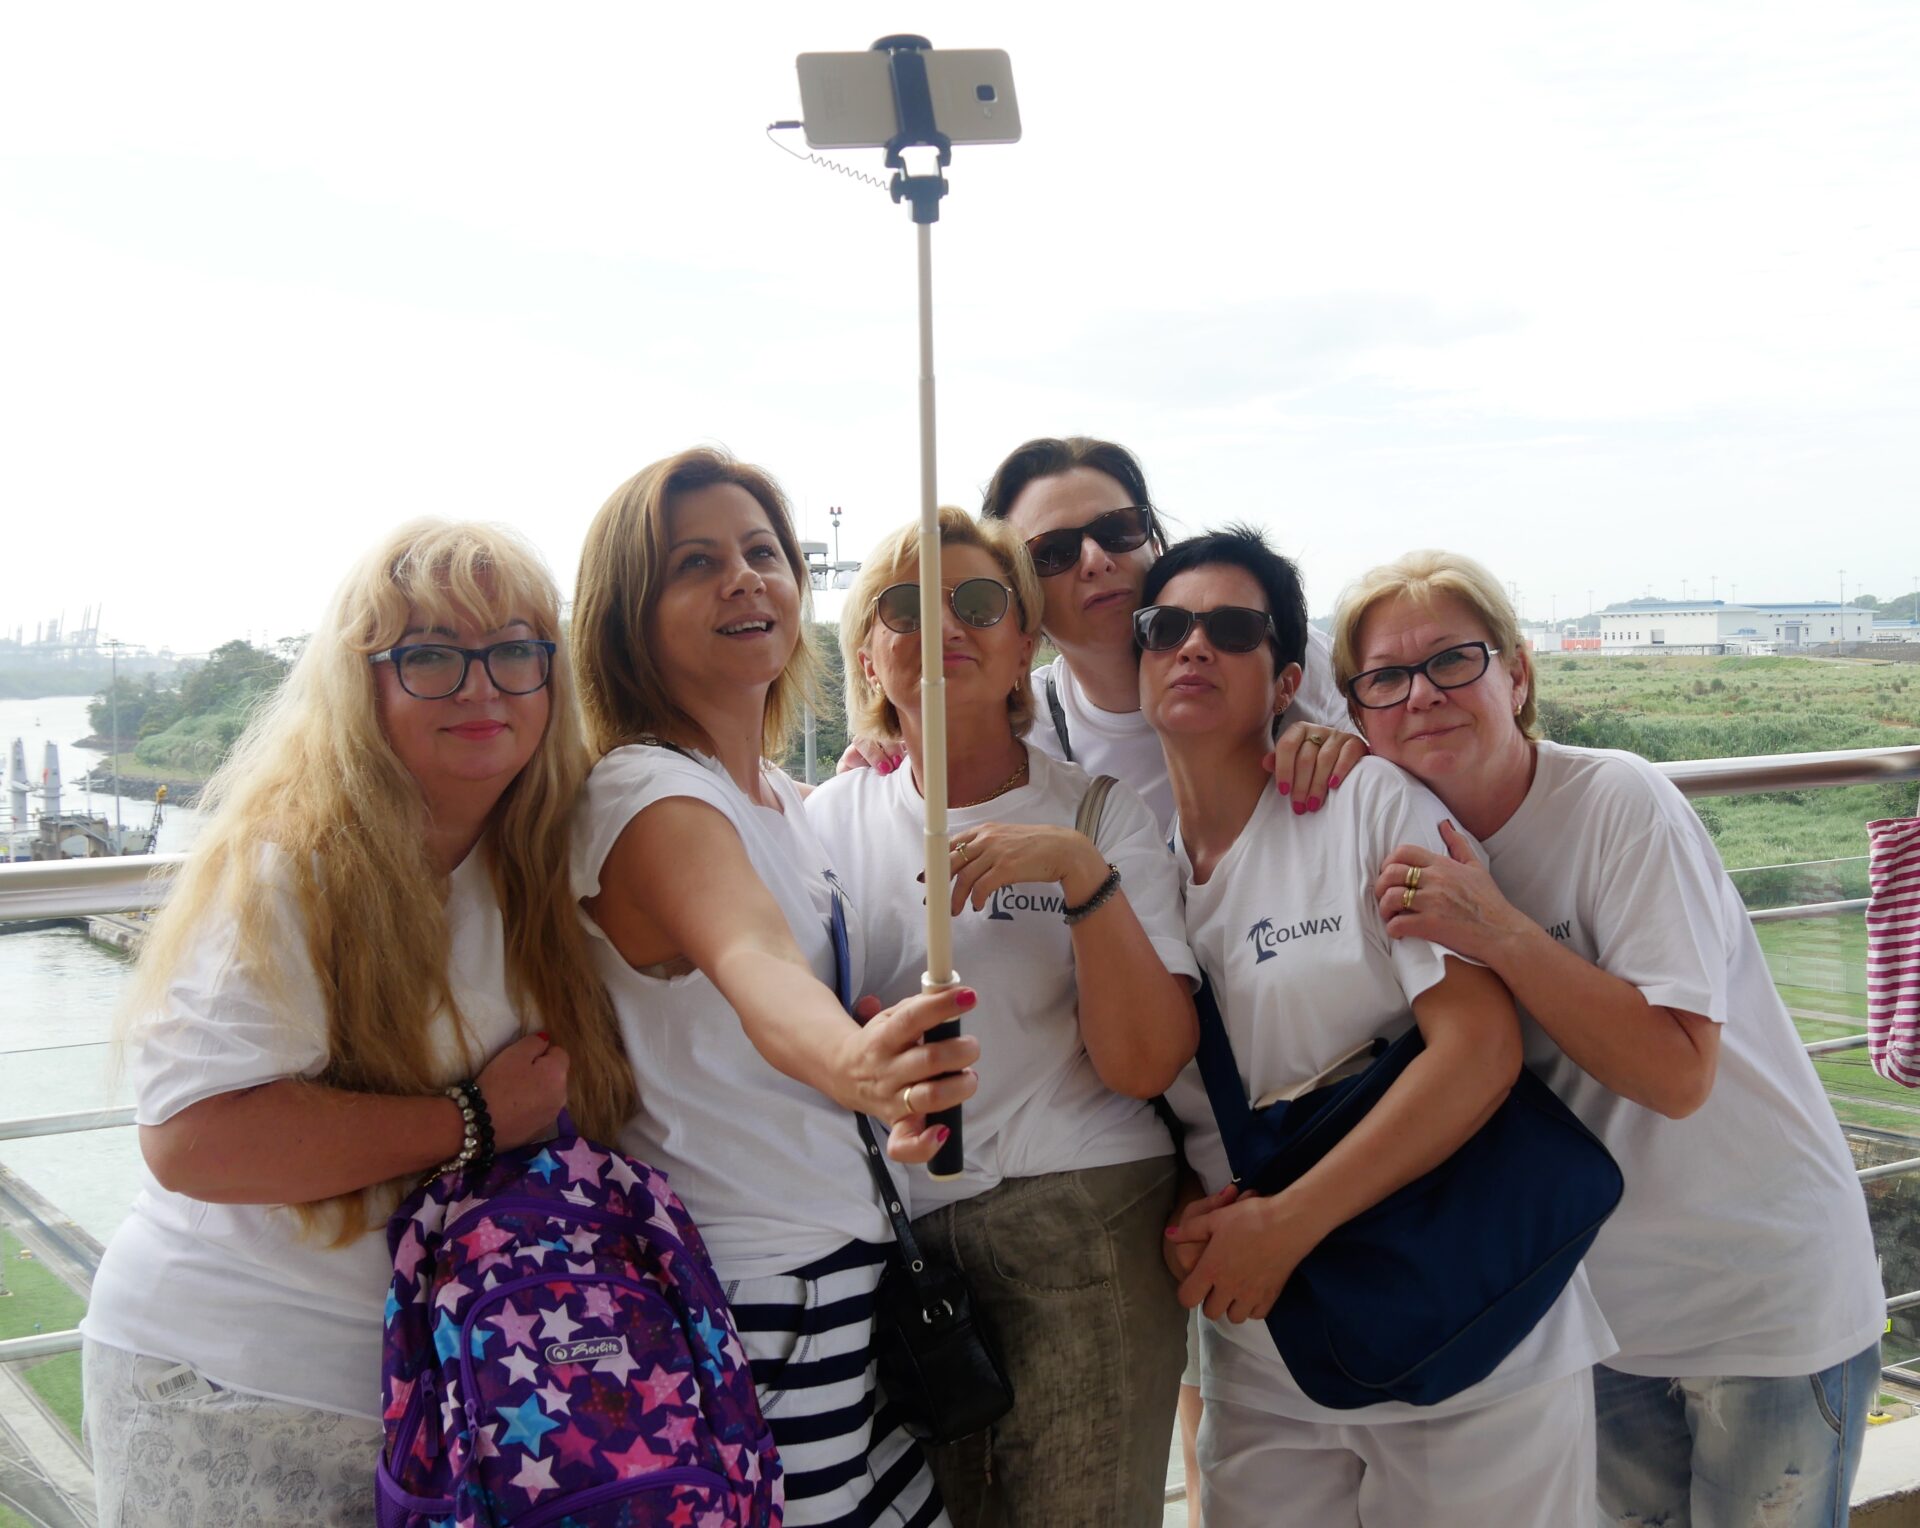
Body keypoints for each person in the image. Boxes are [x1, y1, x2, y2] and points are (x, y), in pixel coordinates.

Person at [81, 521, 635, 1527]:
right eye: (431, 655)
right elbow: (192, 1139)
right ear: (360, 682)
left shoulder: (532, 858)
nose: (482, 687)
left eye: (514, 650)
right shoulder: (292, 867)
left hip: (441, 1399)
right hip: (233, 1388)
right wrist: (474, 1118)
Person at [1337, 549, 1885, 1528]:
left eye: (1454, 659)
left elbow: (1677, 1074)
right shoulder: (1384, 836)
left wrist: (1499, 929)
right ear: (1357, 714)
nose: (1421, 694)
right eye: (1386, 677)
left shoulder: (1615, 801)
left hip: (1759, 1302)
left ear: (1518, 675)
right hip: (1589, 1318)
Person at [1143, 527, 1616, 1528]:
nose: (1193, 646)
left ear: (1287, 681)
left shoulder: (1362, 805)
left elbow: (1480, 1049)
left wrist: (1289, 1223)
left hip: (1463, 1313)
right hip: (1271, 1341)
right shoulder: (1136, 867)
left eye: (1233, 629)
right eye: (1166, 626)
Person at [569, 447, 976, 1528]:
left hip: (841, 1267)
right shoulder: (645, 793)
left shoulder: (782, 802)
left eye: (762, 553)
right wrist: (857, 1064)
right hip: (759, 1282)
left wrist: (865, 1045)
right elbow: (749, 956)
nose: (743, 578)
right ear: (628, 616)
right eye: (695, 563)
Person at [806, 505, 1200, 1527]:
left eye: (980, 603)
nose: (946, 626)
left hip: (1079, 1219)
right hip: (902, 1245)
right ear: (867, 653)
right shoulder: (824, 826)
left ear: (1026, 644)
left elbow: (1147, 1062)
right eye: (906, 607)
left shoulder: (1098, 814)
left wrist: (1081, 877)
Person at [979, 435, 1364, 831]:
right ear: (1020, 594)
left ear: (1155, 544)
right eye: (1051, 552)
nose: (1096, 561)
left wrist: (1357, 752)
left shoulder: (1267, 646)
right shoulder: (1027, 736)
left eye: (1118, 529)